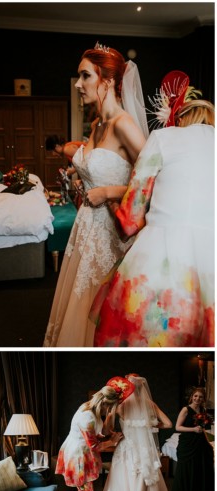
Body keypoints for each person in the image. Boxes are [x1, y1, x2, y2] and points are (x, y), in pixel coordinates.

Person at [44, 43, 148, 347]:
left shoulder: (123, 124)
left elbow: (153, 180)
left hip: (111, 234)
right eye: (79, 76)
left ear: (108, 81)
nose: (78, 84)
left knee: (101, 312)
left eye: (85, 76)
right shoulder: (96, 124)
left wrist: (107, 192)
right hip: (85, 230)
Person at [93, 97, 215, 347]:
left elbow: (130, 217)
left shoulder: (163, 138)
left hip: (160, 259)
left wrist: (111, 202)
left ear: (179, 119)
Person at [55, 377, 133, 491]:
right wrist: (113, 441)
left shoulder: (89, 408)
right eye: (112, 407)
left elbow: (88, 435)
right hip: (78, 457)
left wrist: (103, 435)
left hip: (81, 452)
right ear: (106, 404)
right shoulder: (87, 417)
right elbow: (94, 447)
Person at [99, 374, 172, 491]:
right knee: (146, 475)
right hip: (145, 448)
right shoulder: (149, 404)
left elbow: (104, 431)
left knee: (125, 477)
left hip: (127, 447)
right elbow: (168, 424)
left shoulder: (120, 405)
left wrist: (111, 427)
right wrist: (150, 424)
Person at [170, 387, 215, 491]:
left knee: (201, 467)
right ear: (192, 397)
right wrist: (193, 429)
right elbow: (177, 427)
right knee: (187, 469)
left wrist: (208, 438)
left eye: (200, 397)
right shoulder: (185, 409)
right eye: (195, 396)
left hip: (200, 443)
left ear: (203, 399)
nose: (197, 398)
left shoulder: (203, 410)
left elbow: (205, 428)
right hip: (188, 444)